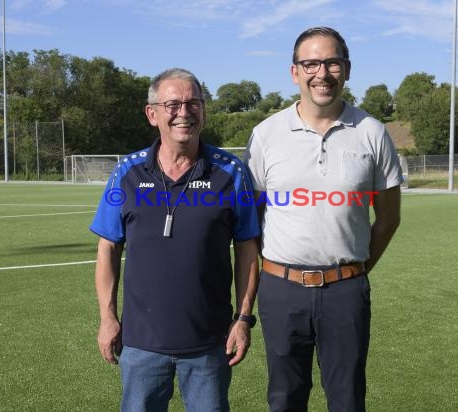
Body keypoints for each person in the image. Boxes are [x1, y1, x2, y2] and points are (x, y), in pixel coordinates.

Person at [245, 27, 403, 411]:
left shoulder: (372, 132)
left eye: (332, 62)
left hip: (346, 291)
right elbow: (251, 221)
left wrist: (358, 269)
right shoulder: (266, 135)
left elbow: (388, 219)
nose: (322, 73)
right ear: (294, 71)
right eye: (311, 63)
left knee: (347, 399)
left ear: (346, 69)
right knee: (284, 399)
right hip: (281, 290)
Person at [90, 68, 260, 412]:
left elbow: (247, 251)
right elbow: (108, 247)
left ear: (204, 110)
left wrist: (243, 320)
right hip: (140, 345)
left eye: (193, 103)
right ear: (152, 114)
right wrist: (108, 318)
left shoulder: (231, 172)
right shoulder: (127, 172)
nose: (184, 113)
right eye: (172, 104)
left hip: (210, 345)